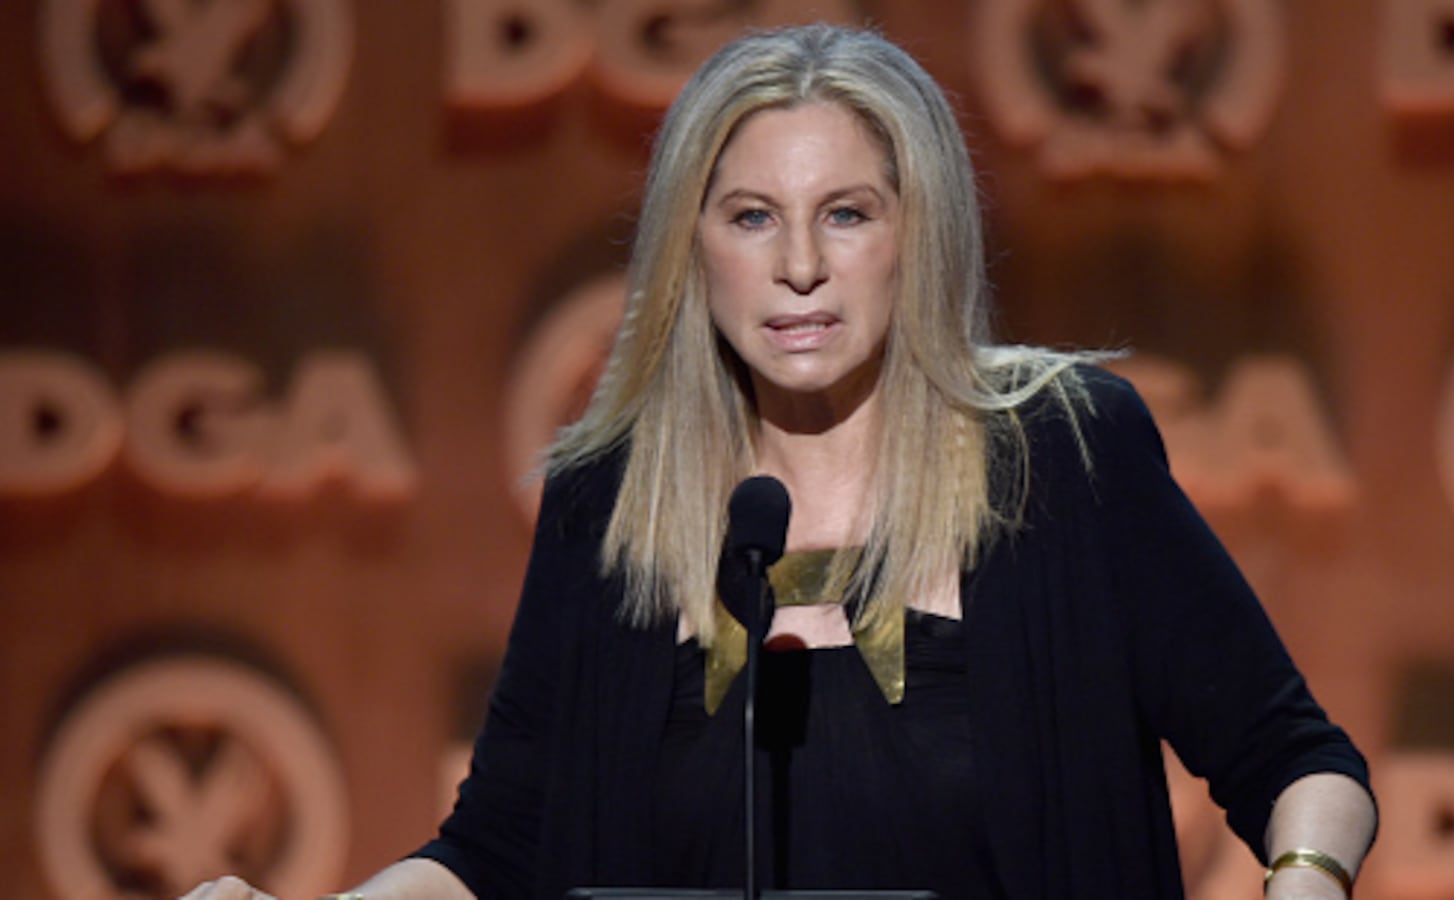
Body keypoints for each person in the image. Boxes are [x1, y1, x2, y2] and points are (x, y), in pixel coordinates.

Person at [184, 22, 1376, 900]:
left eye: (846, 213)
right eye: (750, 216)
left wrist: (1306, 878)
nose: (798, 263)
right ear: (691, 247)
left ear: (919, 231)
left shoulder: (1064, 457)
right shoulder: (609, 501)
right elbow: (498, 846)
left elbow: (1296, 763)